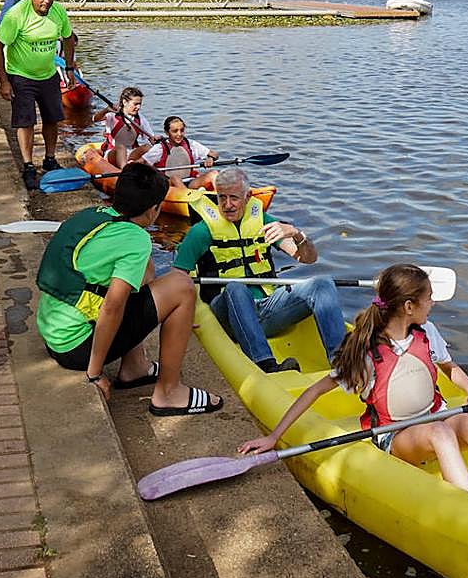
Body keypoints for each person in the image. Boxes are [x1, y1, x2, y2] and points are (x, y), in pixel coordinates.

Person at [238, 264, 468, 528]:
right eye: (429, 298)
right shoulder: (365, 350)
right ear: (409, 307)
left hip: (437, 415)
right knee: (440, 435)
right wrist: (275, 436)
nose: (433, 303)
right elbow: (315, 390)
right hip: (396, 434)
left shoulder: (426, 332)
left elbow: (450, 368)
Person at [36, 162, 223, 416]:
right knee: (182, 287)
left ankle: (135, 367)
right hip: (75, 348)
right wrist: (94, 374)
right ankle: (168, 394)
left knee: (145, 272)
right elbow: (113, 306)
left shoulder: (92, 215)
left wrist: (174, 318)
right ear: (153, 210)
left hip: (54, 334)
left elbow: (143, 283)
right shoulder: (136, 239)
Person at [173, 167, 345, 374]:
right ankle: (265, 363)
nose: (227, 205)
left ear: (247, 197)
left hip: (266, 307)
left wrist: (298, 234)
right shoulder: (202, 231)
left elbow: (308, 259)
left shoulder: (264, 222)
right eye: (222, 198)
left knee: (323, 283)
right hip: (227, 312)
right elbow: (178, 275)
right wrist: (185, 315)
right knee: (236, 288)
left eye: (234, 198)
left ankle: (342, 362)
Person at [0, 0, 78, 190]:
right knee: (26, 121)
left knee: (52, 118)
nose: (47, 1)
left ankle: (50, 159)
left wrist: (69, 67)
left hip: (48, 74)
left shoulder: (58, 12)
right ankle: (29, 165)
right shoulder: (17, 14)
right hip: (21, 75)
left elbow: (68, 38)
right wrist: (4, 81)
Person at [141, 115, 219, 189]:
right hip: (168, 185)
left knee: (214, 174)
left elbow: (214, 154)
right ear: (167, 132)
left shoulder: (190, 144)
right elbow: (142, 162)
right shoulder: (159, 148)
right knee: (175, 178)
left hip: (189, 181)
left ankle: (221, 198)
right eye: (175, 131)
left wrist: (210, 158)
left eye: (182, 130)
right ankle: (189, 198)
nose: (179, 134)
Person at [100, 87, 157, 168]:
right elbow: (94, 119)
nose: (138, 107)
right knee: (121, 147)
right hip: (113, 153)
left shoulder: (140, 118)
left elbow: (151, 137)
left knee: (148, 147)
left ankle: (150, 171)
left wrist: (155, 139)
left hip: (131, 153)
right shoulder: (113, 114)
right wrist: (105, 110)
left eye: (140, 104)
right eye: (135, 104)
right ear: (125, 102)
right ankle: (125, 172)